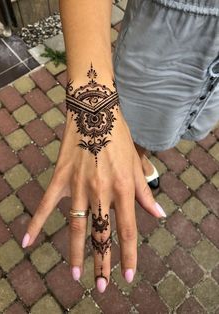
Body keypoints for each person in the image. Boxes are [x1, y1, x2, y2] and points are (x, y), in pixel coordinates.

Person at [21, 0, 219, 294]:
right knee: (139, 123)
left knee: (174, 129)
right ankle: (136, 157)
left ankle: (136, 158)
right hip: (168, 35)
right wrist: (91, 95)